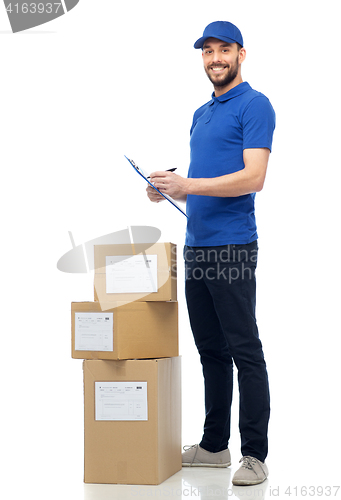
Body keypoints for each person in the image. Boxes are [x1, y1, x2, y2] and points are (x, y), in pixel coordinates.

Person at [146, 21, 275, 486]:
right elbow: (203, 180)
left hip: (233, 246)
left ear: (241, 54)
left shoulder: (256, 105)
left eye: (224, 50)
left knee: (245, 349)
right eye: (207, 51)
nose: (215, 58)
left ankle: (254, 454)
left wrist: (188, 185)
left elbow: (253, 176)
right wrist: (166, 191)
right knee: (210, 351)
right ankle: (215, 446)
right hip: (197, 246)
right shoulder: (201, 112)